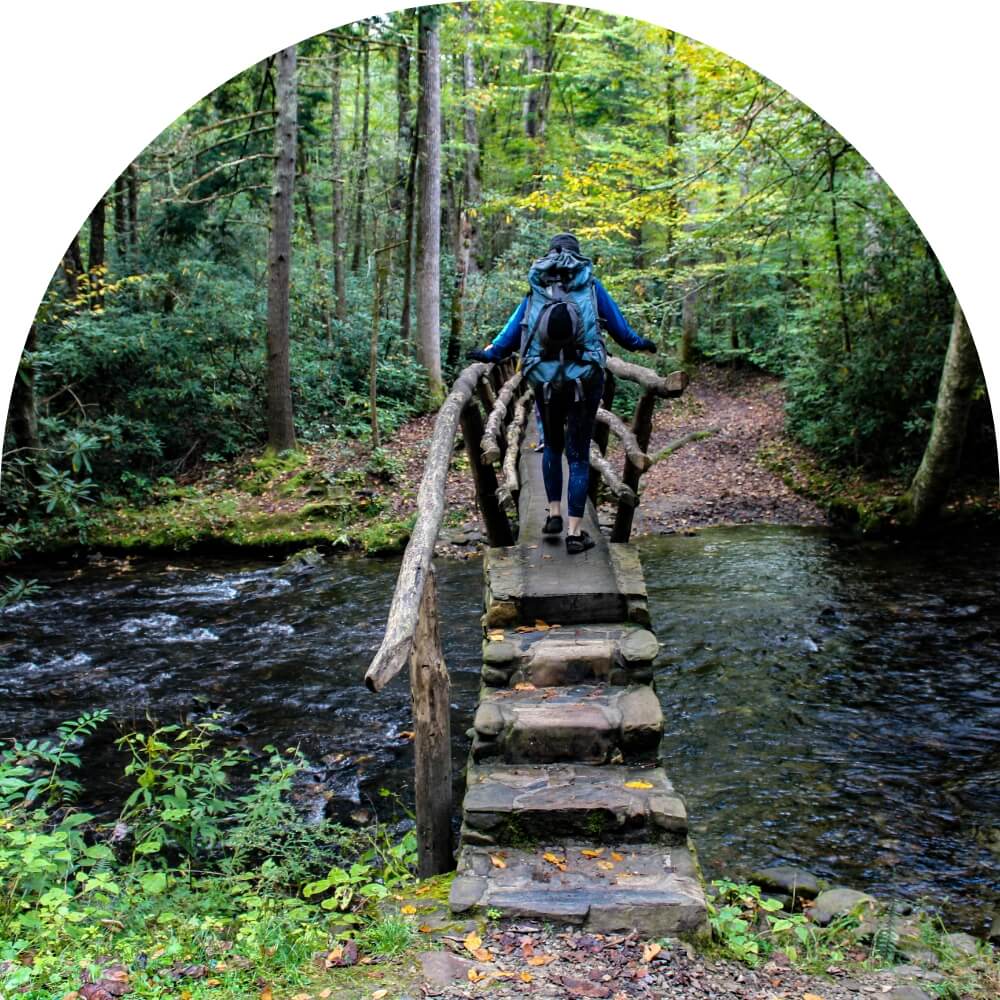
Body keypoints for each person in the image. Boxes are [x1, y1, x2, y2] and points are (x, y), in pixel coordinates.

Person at [468, 233, 655, 553]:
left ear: (550, 256)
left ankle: (553, 513)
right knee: (579, 456)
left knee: (552, 447)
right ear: (577, 256)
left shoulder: (538, 290)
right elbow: (622, 332)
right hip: (585, 379)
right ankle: (573, 533)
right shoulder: (590, 287)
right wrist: (643, 344)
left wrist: (488, 355)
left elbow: (510, 336)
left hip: (545, 380)